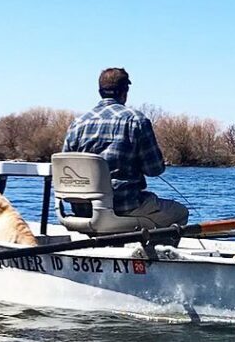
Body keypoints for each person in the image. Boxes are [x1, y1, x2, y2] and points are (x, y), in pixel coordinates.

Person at [62, 67, 188, 227]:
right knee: (180, 212)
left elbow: (65, 164)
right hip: (124, 206)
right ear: (125, 92)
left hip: (81, 209)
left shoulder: (78, 123)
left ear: (100, 91)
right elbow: (155, 169)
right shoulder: (136, 120)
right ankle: (156, 252)